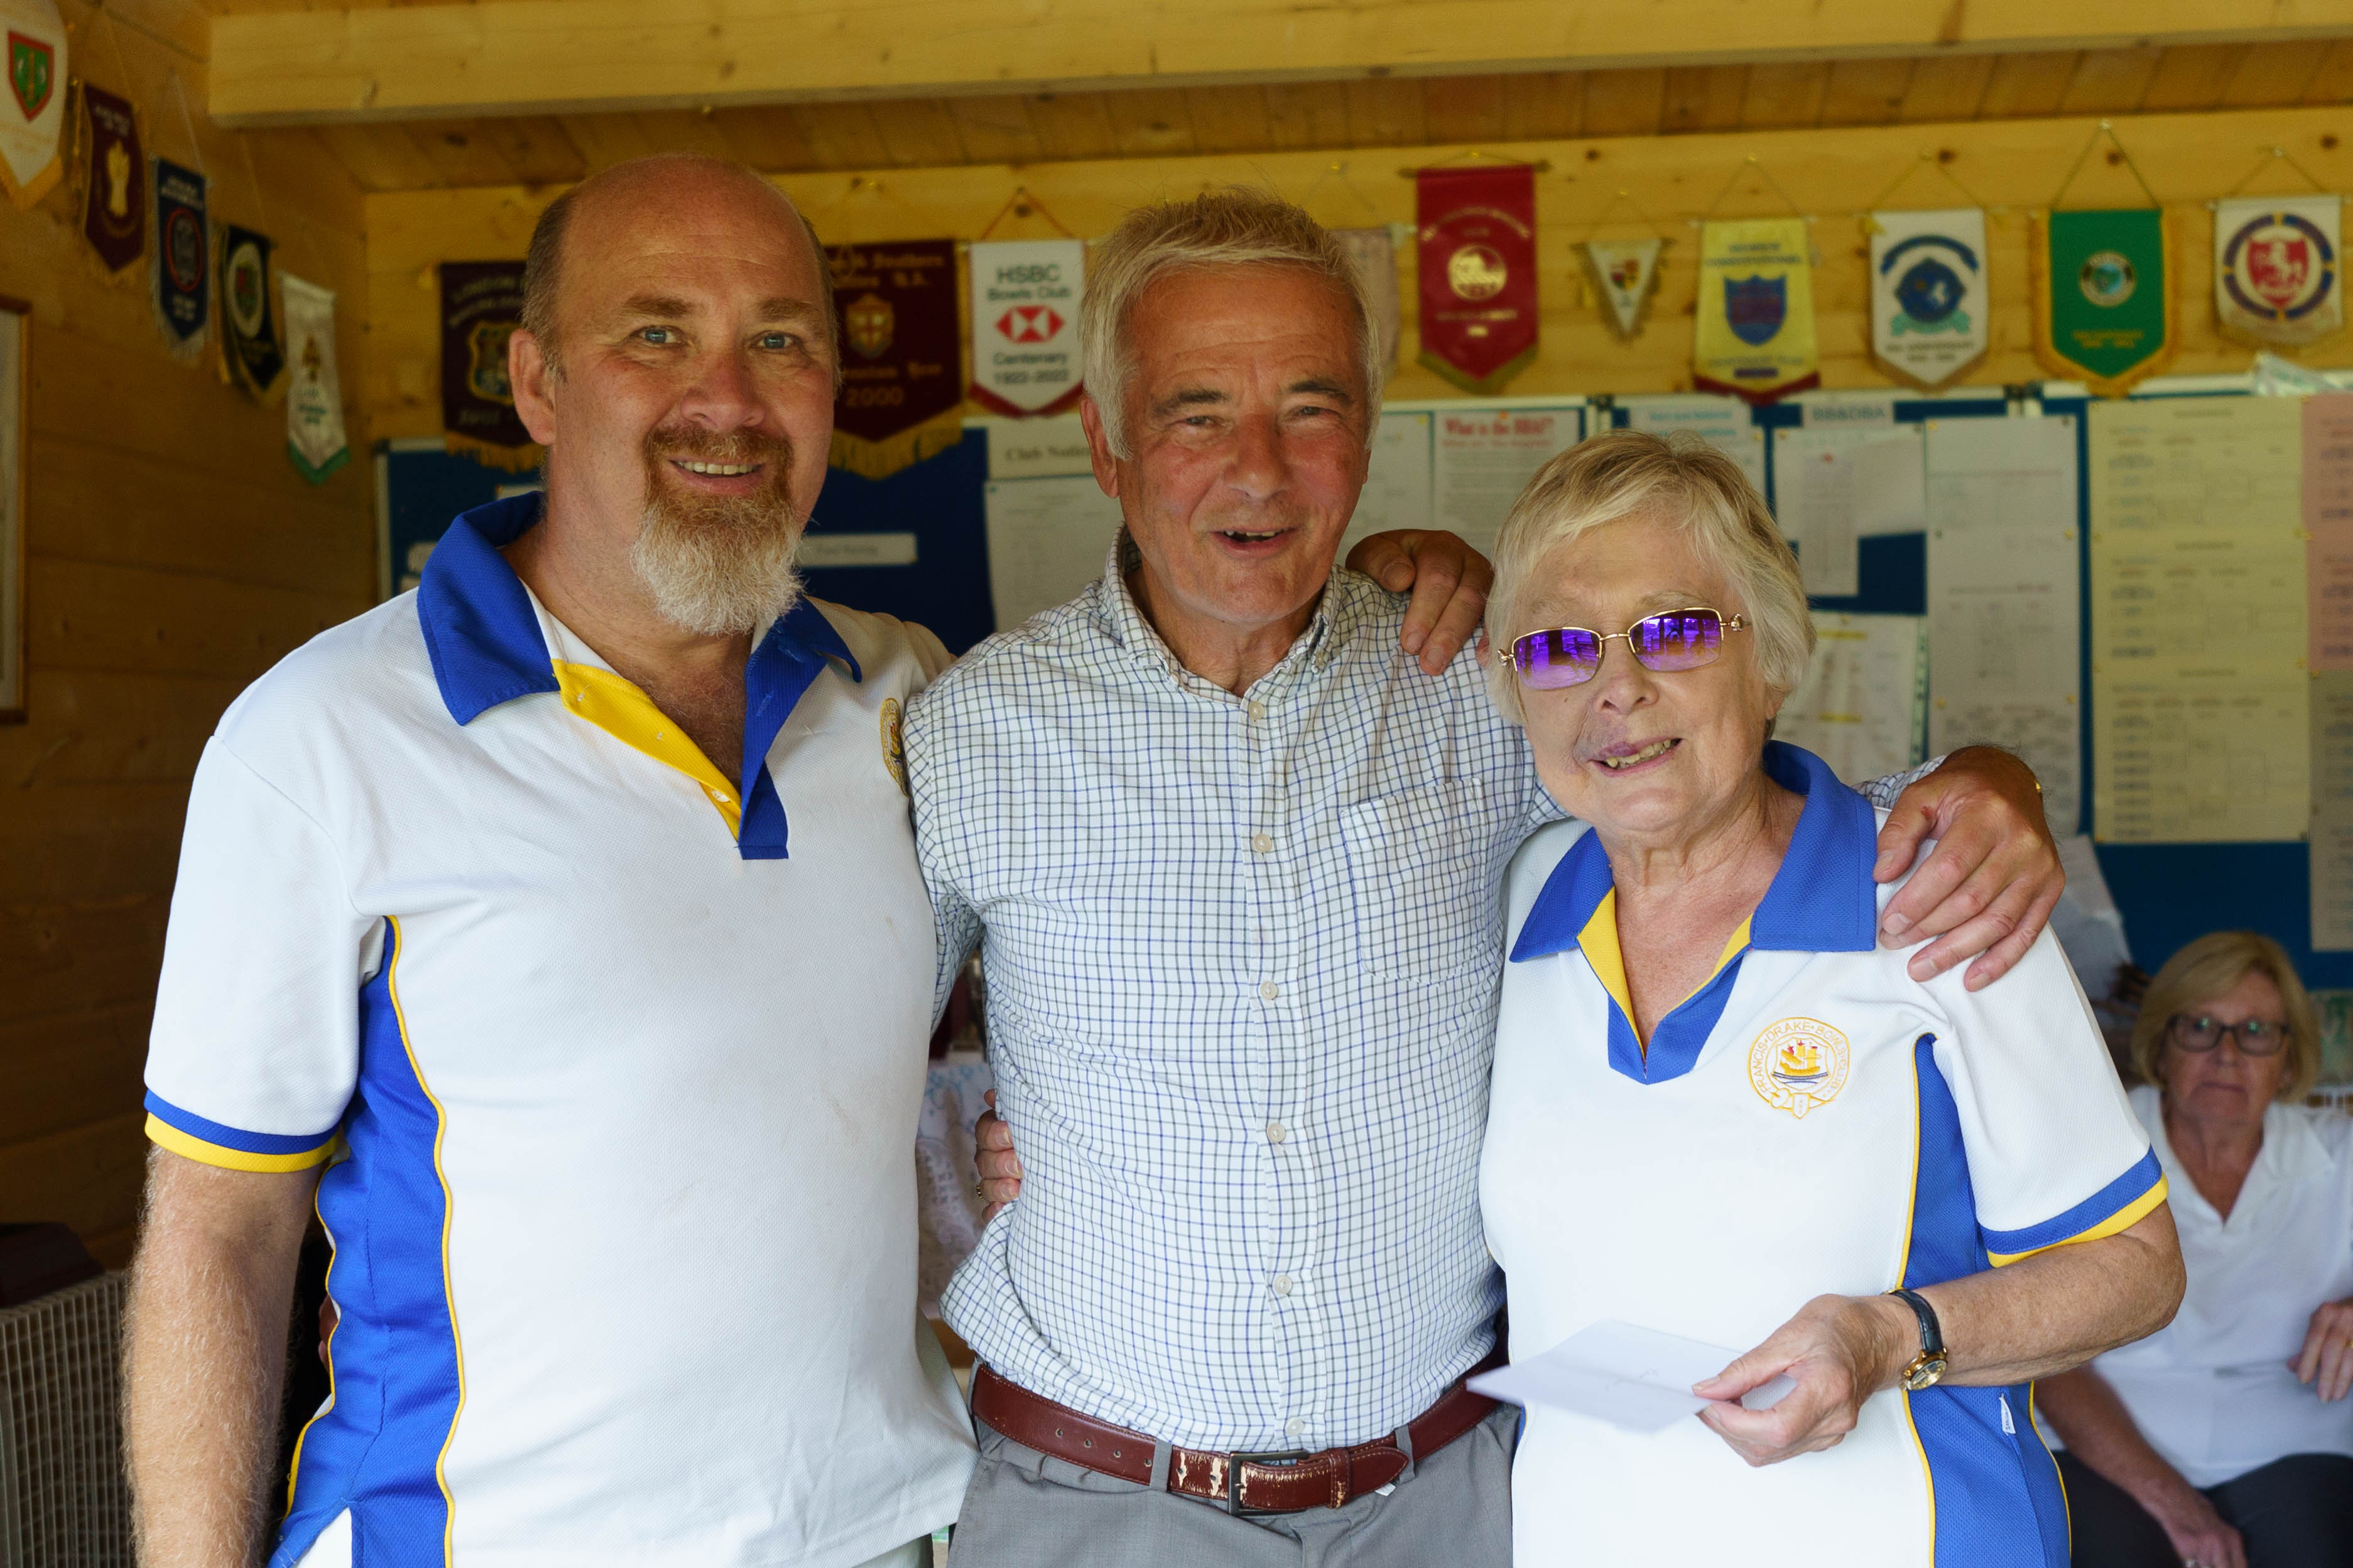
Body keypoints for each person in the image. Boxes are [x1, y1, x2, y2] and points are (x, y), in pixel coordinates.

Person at [121, 154, 1489, 1568]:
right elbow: (219, 1231)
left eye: (780, 341)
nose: (727, 397)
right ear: (536, 383)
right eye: (657, 333)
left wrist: (1402, 579)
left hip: (886, 1528)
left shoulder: (903, 701)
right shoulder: (327, 736)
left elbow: (995, 1021)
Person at [918, 190, 2066, 1568]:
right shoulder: (969, 731)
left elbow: (1716, 782)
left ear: (1366, 436)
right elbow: (848, 1072)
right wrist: (976, 1140)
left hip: (1439, 1502)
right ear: (1105, 441)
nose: (1259, 470)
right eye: (1196, 413)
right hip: (1098, 1499)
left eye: (1309, 408)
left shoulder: (1478, 682)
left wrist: (1989, 781)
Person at [1478, 430, 2185, 1567]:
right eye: (1561, 645)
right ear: (1515, 688)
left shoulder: (1936, 897)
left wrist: (1891, 1336)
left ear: (1770, 660)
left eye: (1673, 630)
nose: (1617, 686)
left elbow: (2136, 1270)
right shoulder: (1519, 907)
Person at [2039, 932, 2353, 1568]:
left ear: (2288, 1059)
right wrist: (2173, 1502)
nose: (2226, 1054)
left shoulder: (2340, 1153)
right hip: (2109, 1455)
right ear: (2162, 1044)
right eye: (2200, 1027)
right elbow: (2044, 1359)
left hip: (2298, 1453)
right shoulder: (2094, 1148)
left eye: (2257, 1032)